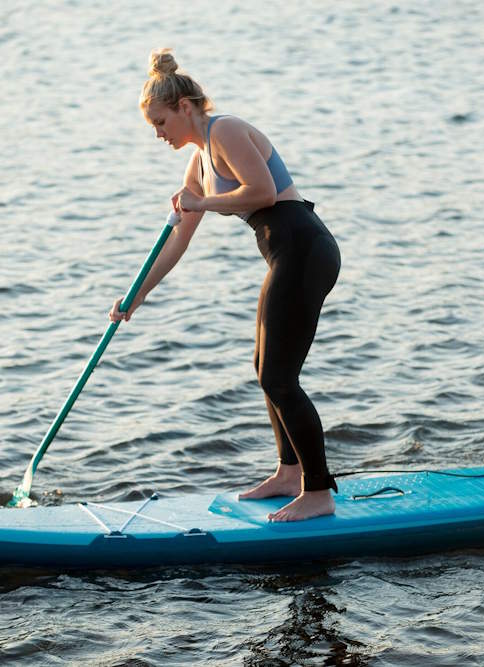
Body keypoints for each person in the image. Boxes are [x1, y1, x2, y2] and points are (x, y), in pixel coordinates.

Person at [109, 49, 341, 522]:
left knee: (279, 376)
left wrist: (202, 202)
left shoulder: (226, 130)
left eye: (160, 122)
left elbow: (262, 193)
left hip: (303, 244)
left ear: (185, 107)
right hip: (284, 252)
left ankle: (319, 492)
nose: (157, 134)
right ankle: (288, 472)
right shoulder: (197, 163)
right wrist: (138, 294)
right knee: (265, 369)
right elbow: (177, 242)